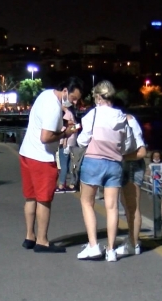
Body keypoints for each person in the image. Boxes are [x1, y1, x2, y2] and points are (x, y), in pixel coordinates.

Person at [19, 78, 82, 253]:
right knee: (44, 200)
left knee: (30, 198)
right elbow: (45, 138)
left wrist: (62, 123)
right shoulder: (54, 108)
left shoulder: (45, 94)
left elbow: (45, 122)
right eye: (74, 98)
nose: (74, 102)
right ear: (64, 91)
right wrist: (65, 133)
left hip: (26, 153)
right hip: (42, 158)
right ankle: (42, 241)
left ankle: (29, 237)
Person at [76, 80, 133, 262]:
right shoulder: (122, 117)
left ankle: (93, 246)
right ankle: (111, 250)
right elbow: (128, 145)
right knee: (112, 207)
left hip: (93, 161)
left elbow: (82, 141)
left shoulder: (92, 115)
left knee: (87, 202)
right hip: (114, 164)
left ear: (98, 97)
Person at [112, 98, 148, 257]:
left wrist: (120, 157)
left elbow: (142, 151)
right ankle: (132, 239)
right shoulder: (118, 122)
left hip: (132, 164)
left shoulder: (130, 121)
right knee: (126, 205)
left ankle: (134, 244)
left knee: (132, 207)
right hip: (125, 164)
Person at [56, 93, 82, 193]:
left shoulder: (67, 115)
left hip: (66, 143)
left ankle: (61, 185)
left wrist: (64, 139)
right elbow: (77, 127)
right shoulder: (73, 115)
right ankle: (72, 184)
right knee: (72, 165)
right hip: (73, 143)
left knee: (63, 165)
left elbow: (66, 128)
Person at [146, 151, 162, 223]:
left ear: (160, 157)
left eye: (158, 156)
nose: (156, 158)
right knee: (155, 201)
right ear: (152, 157)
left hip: (161, 184)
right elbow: (147, 175)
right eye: (154, 156)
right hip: (152, 184)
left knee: (161, 201)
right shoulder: (150, 165)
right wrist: (147, 184)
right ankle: (156, 215)